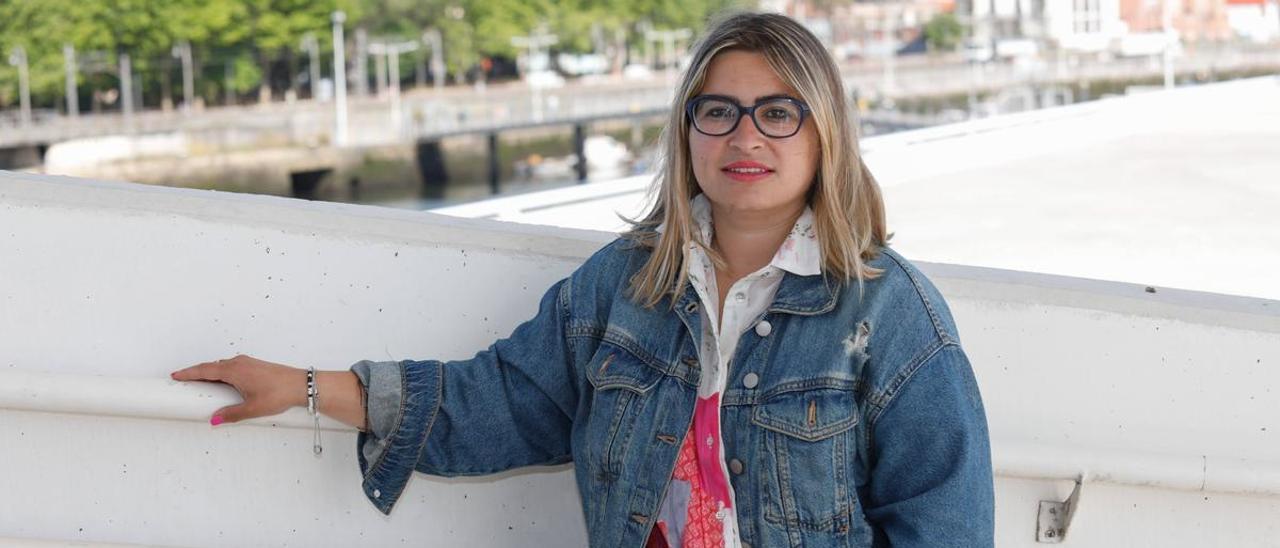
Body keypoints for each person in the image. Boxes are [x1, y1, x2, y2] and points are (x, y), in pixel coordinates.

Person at [171, 11, 994, 547]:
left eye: (778, 113)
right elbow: (492, 403)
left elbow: (944, 526)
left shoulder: (890, 315)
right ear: (688, 133)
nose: (746, 136)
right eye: (719, 111)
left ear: (825, 135)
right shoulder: (623, 288)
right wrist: (305, 386)